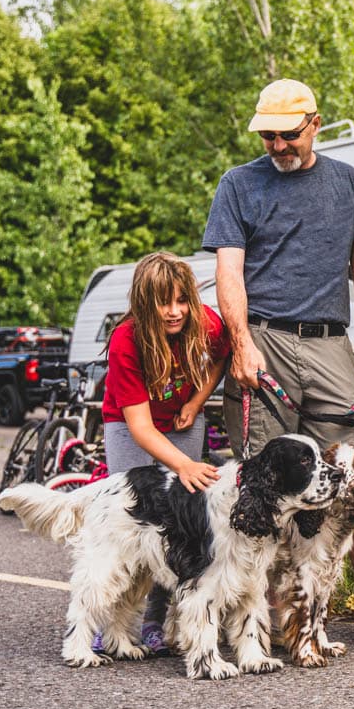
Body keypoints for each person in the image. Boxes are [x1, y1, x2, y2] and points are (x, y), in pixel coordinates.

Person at [200, 77, 354, 652]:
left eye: (287, 135)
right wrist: (240, 342)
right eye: (268, 135)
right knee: (261, 481)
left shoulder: (346, 182)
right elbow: (229, 271)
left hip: (329, 342)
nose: (277, 146)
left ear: (314, 122)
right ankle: (254, 620)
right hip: (264, 340)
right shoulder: (238, 184)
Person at [99, 251, 230, 654]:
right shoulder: (125, 340)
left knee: (173, 527)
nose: (174, 312)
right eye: (163, 303)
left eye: (181, 301)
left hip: (181, 422)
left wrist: (196, 402)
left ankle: (156, 620)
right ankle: (108, 622)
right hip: (129, 426)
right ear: (143, 303)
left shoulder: (205, 322)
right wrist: (185, 466)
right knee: (131, 525)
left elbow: (221, 357)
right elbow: (139, 428)